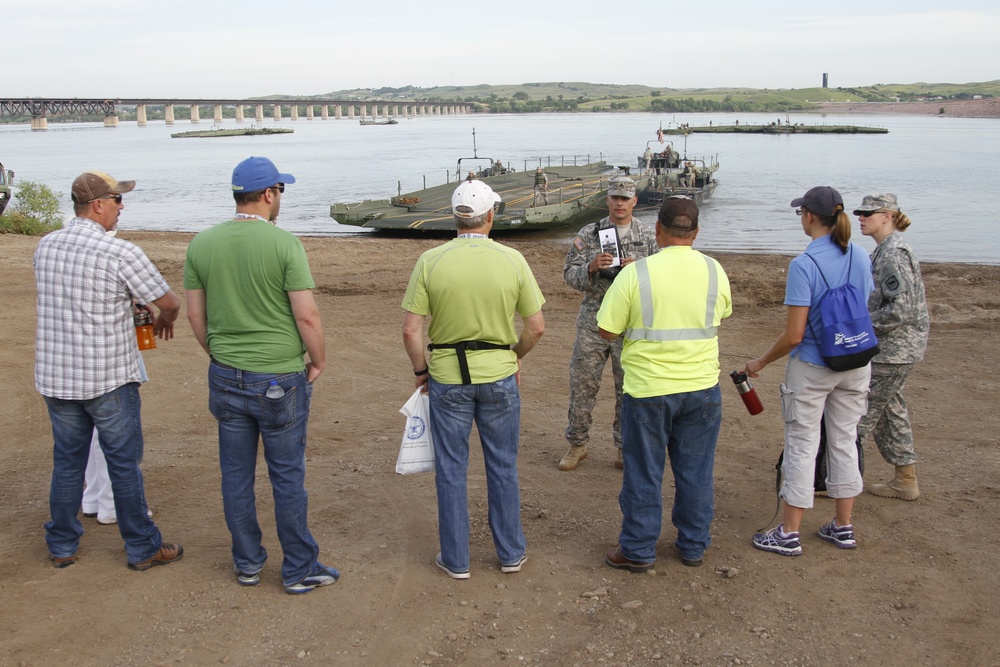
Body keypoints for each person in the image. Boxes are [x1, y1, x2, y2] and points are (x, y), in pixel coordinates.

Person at [184, 156, 339, 595]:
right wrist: (319, 360)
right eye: (280, 191)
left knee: (235, 474)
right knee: (286, 474)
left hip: (226, 373)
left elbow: (197, 315)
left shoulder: (201, 243)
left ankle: (248, 563)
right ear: (269, 194)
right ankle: (298, 568)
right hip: (278, 378)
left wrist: (218, 352)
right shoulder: (284, 244)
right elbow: (306, 316)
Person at [35, 170, 182, 571]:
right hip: (107, 377)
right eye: (117, 200)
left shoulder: (45, 246)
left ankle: (62, 544)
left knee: (68, 462)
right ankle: (141, 546)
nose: (122, 207)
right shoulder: (120, 252)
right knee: (123, 464)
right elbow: (168, 301)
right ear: (98, 205)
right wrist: (161, 319)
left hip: (58, 375)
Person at [402, 178, 545, 579]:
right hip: (498, 375)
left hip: (448, 376)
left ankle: (456, 558)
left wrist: (421, 371)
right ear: (491, 216)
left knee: (451, 467)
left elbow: (411, 331)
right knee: (502, 465)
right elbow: (535, 327)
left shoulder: (430, 261)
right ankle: (511, 552)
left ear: (455, 217)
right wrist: (512, 358)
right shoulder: (513, 260)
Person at [597, 196, 732, 571]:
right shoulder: (714, 270)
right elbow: (722, 313)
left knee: (643, 472)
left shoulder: (635, 274)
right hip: (702, 387)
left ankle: (638, 549)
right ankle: (693, 545)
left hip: (648, 391)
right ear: (697, 232)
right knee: (696, 471)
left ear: (657, 230)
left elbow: (607, 330)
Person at [746, 186, 874, 556]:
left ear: (810, 216)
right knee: (844, 439)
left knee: (802, 444)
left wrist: (761, 361)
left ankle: (789, 532)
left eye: (800, 212)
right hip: (856, 361)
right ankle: (843, 525)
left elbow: (793, 335)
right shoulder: (861, 256)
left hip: (815, 365)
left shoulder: (803, 265)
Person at [559, 176, 658, 471]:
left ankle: (624, 447)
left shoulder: (649, 237)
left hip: (630, 327)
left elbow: (659, 279)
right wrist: (590, 267)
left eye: (625, 198)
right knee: (582, 387)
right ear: (607, 200)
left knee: (627, 389)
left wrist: (639, 269)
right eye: (615, 197)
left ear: (634, 202)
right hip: (593, 323)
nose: (619, 203)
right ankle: (577, 444)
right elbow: (568, 274)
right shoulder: (590, 233)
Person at [854, 193, 929, 500]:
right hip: (894, 348)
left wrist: (858, 328)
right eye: (859, 213)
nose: (861, 217)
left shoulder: (893, 253)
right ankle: (905, 478)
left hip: (893, 350)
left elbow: (900, 310)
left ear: (888, 216)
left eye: (868, 213)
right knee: (889, 412)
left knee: (857, 414)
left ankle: (833, 478)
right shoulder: (885, 251)